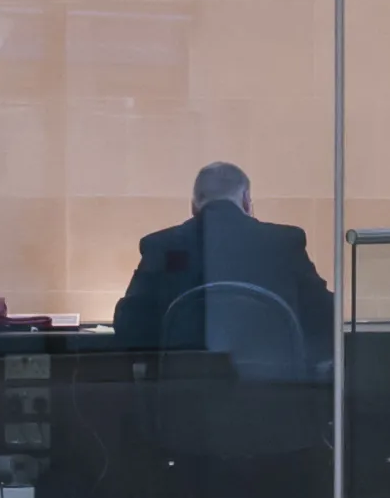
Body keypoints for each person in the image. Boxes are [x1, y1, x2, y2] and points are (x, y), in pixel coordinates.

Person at [112, 161, 334, 380]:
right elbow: (325, 315)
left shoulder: (161, 246)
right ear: (246, 200)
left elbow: (129, 324)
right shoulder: (284, 243)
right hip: (274, 390)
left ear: (194, 205)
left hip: (184, 391)